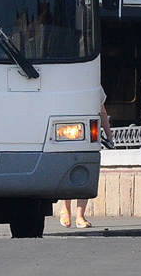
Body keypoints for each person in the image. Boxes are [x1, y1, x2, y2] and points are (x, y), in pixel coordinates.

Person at [60, 93, 112, 228]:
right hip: (65, 132)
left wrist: (109, 135)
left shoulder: (93, 83)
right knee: (68, 172)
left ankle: (80, 216)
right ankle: (65, 209)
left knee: (85, 175)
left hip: (87, 134)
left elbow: (102, 111)